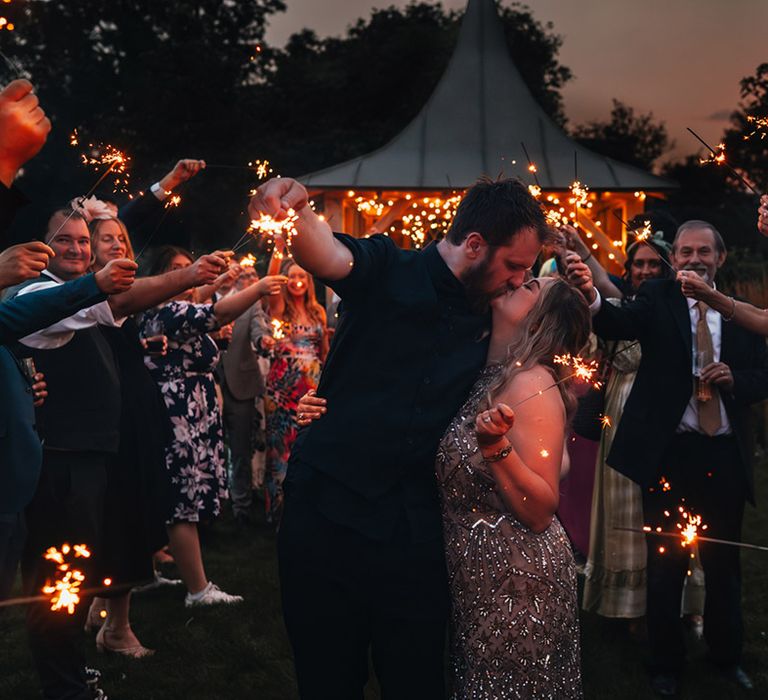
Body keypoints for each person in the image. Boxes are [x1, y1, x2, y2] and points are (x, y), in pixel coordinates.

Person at [248, 175, 547, 698]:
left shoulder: (495, 314)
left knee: (416, 680)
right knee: (328, 678)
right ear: (475, 244)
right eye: (514, 266)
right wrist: (295, 210)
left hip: (414, 531)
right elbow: (328, 255)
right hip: (326, 513)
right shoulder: (391, 266)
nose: (519, 280)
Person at [566, 220, 768, 696]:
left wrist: (737, 380)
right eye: (684, 252)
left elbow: (765, 373)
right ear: (673, 258)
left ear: (720, 258)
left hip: (723, 454)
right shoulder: (657, 298)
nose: (693, 259)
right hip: (669, 455)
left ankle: (726, 658)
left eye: (703, 251)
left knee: (723, 565)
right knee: (665, 565)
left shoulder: (739, 310)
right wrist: (591, 295)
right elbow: (616, 322)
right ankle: (664, 666)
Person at [83, 212, 226, 656]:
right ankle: (115, 628)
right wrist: (192, 273)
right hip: (108, 417)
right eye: (107, 239)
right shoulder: (91, 290)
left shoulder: (116, 289)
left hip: (134, 413)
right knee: (119, 517)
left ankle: (100, 613)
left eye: (122, 238)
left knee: (128, 514)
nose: (118, 244)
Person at [139, 245, 285, 607]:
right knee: (182, 498)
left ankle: (139, 574)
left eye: (190, 267)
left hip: (192, 409)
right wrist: (259, 286)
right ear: (159, 274)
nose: (187, 275)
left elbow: (197, 296)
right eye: (176, 269)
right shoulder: (165, 311)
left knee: (171, 496)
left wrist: (225, 279)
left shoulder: (171, 306)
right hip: (177, 415)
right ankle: (198, 590)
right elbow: (215, 313)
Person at [572, 232, 705, 625]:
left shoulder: (683, 307)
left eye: (653, 264)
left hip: (671, 421)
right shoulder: (624, 307)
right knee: (622, 512)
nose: (645, 270)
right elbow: (601, 325)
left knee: (674, 519)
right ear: (628, 271)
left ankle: (677, 602)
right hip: (623, 416)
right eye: (638, 264)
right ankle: (626, 607)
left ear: (668, 268)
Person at [263, 244, 328, 525]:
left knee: (308, 446)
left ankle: (305, 509)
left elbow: (326, 353)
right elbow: (270, 285)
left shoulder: (318, 313)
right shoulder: (280, 309)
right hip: (282, 387)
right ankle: (279, 512)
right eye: (293, 277)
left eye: (303, 275)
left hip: (311, 385)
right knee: (280, 448)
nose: (298, 281)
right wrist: (278, 248)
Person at [218, 268, 271, 528]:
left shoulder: (249, 300)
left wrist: (265, 341)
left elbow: (259, 330)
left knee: (240, 449)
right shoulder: (203, 299)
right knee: (212, 450)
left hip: (241, 382)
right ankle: (213, 505)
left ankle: (241, 507)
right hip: (210, 384)